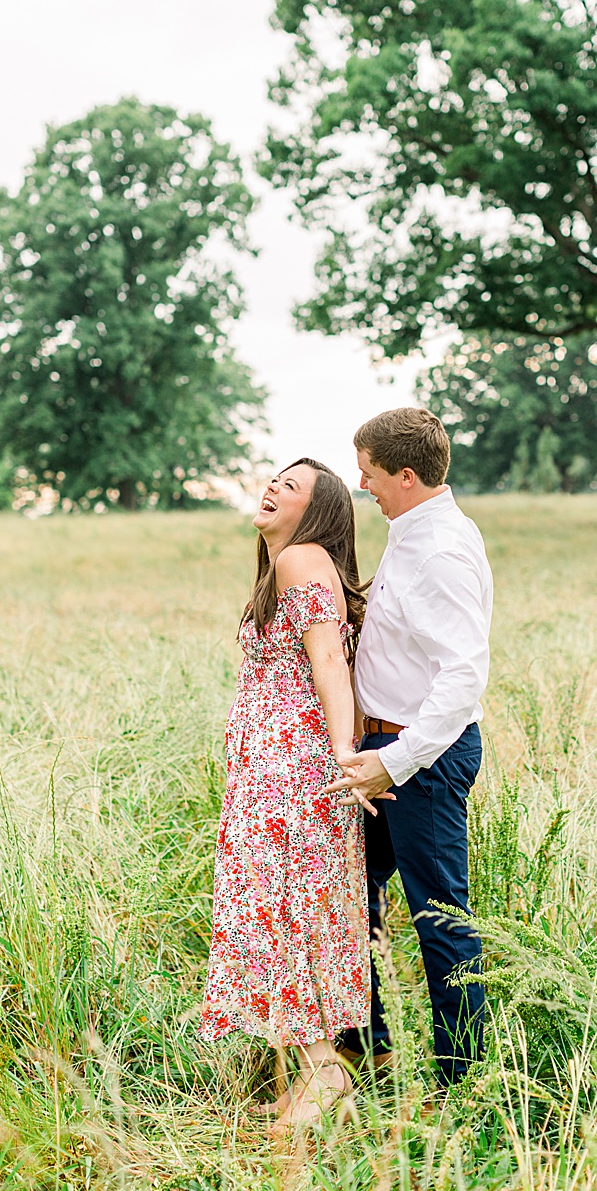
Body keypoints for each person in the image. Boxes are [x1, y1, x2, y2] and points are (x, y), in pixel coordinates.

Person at [199, 457, 376, 1133]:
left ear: (317, 511)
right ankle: (310, 1068)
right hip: (268, 768)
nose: (273, 488)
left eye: (291, 487)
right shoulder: (287, 563)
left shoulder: (302, 559)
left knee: (288, 911)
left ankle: (325, 1070)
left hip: (295, 771)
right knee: (281, 910)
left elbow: (330, 659)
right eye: (275, 478)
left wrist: (341, 753)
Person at [325, 407, 494, 1094]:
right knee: (346, 890)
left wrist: (396, 759)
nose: (362, 485)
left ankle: (463, 1082)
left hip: (420, 756)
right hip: (385, 745)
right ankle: (368, 1044)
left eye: (369, 474)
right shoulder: (412, 528)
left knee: (439, 914)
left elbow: (463, 675)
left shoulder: (441, 549)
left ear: (406, 474)